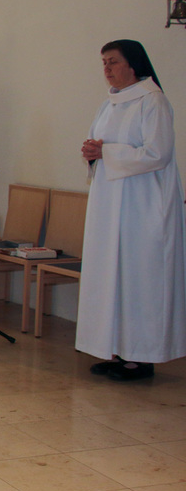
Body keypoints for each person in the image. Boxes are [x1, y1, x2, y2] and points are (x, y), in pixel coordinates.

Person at [77, 40, 186, 381]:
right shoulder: (108, 104)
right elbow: (99, 147)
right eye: (104, 63)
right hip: (110, 207)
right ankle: (116, 350)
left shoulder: (153, 101)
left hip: (143, 207)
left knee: (139, 279)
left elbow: (158, 153)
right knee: (112, 276)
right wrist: (92, 153)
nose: (107, 68)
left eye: (113, 61)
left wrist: (107, 153)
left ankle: (141, 357)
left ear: (133, 65)